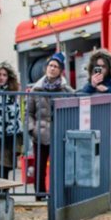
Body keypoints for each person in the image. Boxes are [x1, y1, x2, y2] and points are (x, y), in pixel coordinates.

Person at [80, 49, 111, 211]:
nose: (100, 70)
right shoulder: (89, 86)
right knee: (92, 170)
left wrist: (108, 91)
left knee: (108, 170)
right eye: (97, 67)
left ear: (109, 68)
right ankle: (92, 203)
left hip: (110, 134)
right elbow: (79, 98)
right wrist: (92, 86)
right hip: (92, 134)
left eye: (103, 67)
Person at [28, 52, 73, 198]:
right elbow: (28, 112)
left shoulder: (66, 90)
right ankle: (39, 194)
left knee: (58, 166)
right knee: (39, 166)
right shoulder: (36, 89)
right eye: (50, 65)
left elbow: (73, 108)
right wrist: (32, 129)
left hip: (59, 133)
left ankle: (56, 194)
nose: (52, 68)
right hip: (40, 134)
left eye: (56, 66)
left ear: (61, 71)